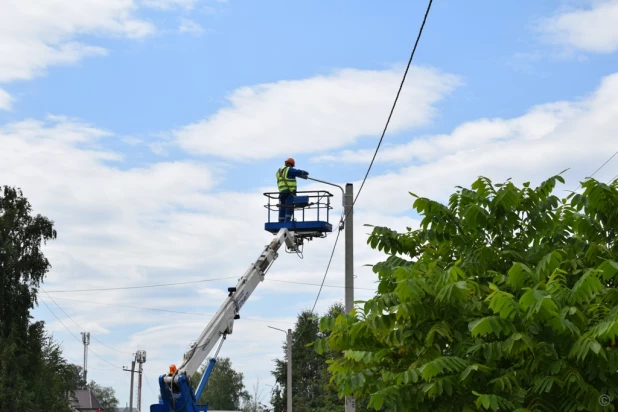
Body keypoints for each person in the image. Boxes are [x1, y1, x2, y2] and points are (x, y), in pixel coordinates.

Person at [276, 157, 309, 222]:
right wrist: (305, 173)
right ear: (290, 164)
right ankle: (287, 221)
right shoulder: (289, 170)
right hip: (289, 192)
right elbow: (298, 172)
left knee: (282, 207)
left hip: (281, 193)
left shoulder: (279, 171)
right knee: (289, 206)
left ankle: (280, 221)